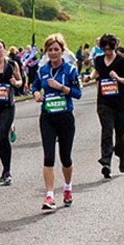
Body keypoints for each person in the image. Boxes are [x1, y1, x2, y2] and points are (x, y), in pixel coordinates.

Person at [32, 33, 82, 209]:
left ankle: (67, 188)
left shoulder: (70, 70)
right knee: (48, 156)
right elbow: (35, 85)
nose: (53, 53)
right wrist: (36, 94)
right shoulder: (42, 70)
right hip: (47, 117)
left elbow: (78, 93)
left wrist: (61, 87)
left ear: (62, 51)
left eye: (56, 49)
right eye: (50, 50)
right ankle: (50, 196)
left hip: (65, 117)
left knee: (65, 157)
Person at [88, 34, 124, 179]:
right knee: (107, 131)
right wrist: (89, 77)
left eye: (109, 49)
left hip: (120, 103)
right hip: (104, 102)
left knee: (119, 134)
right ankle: (106, 163)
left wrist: (119, 78)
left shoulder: (122, 62)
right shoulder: (99, 60)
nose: (107, 52)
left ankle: (122, 155)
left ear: (114, 47)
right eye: (105, 49)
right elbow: (97, 72)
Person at [0, 39, 23, 185]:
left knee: (3, 134)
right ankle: (4, 168)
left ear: (4, 49)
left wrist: (15, 83)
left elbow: (20, 81)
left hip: (8, 105)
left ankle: (7, 171)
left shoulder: (12, 64)